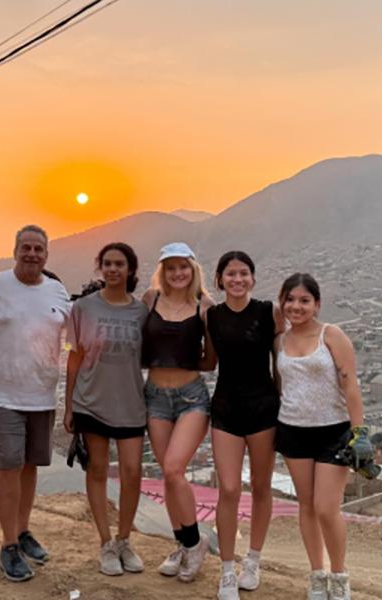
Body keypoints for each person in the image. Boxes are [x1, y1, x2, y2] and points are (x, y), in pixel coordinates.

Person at [0, 225, 70, 582]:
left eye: (39, 248)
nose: (32, 254)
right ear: (14, 250)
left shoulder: (56, 290)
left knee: (30, 467)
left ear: (47, 255)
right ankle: (8, 544)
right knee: (8, 466)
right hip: (1, 395)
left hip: (41, 394)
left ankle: (22, 531)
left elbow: (74, 329)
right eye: (26, 247)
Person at [273, 273, 371, 600]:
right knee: (306, 505)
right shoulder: (279, 341)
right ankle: (317, 573)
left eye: (304, 300)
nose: (296, 306)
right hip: (292, 430)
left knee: (327, 508)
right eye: (290, 299)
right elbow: (280, 386)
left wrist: (360, 433)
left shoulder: (332, 335)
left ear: (317, 303)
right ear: (282, 302)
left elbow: (350, 384)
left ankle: (339, 575)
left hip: (333, 431)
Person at [63, 243, 149, 576]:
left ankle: (125, 540)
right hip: (91, 402)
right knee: (97, 470)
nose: (114, 270)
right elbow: (74, 357)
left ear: (130, 270)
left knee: (131, 472)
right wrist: (68, 405)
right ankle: (105, 543)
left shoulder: (141, 312)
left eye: (120, 264)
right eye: (108, 264)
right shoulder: (83, 308)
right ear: (100, 267)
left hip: (130, 402)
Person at [202, 250, 283, 600]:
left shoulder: (269, 312)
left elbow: (281, 362)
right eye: (230, 274)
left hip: (264, 408)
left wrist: (286, 406)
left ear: (253, 277)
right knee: (230, 490)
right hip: (225, 409)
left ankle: (253, 559)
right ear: (220, 279)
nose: (237, 279)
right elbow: (207, 359)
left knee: (262, 487)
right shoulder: (212, 316)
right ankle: (226, 569)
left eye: (244, 273)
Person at [140, 242, 214, 582]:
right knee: (167, 478)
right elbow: (139, 345)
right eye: (170, 267)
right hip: (155, 396)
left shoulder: (204, 306)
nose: (177, 273)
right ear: (162, 271)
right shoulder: (150, 300)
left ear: (193, 268)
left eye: (183, 266)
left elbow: (211, 360)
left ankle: (195, 543)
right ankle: (182, 546)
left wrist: (180, 362)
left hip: (191, 397)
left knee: (173, 468)